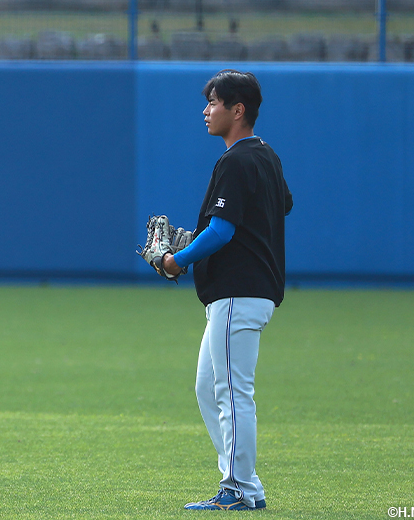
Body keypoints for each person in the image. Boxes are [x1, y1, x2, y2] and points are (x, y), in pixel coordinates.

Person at [162, 70, 293, 511]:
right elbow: (281, 205)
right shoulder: (266, 156)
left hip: (240, 292)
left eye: (214, 103)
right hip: (241, 292)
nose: (206, 110)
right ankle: (241, 482)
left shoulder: (236, 160)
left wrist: (178, 259)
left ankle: (238, 489)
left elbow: (221, 229)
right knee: (207, 387)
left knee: (233, 391)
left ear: (238, 110)